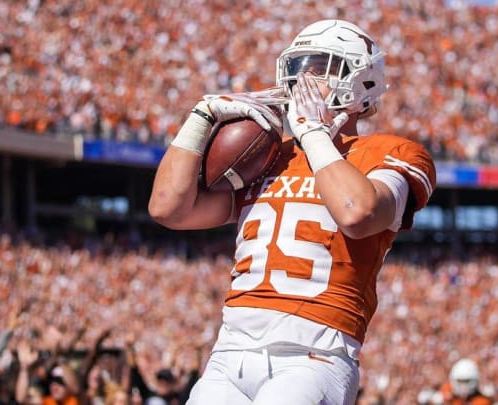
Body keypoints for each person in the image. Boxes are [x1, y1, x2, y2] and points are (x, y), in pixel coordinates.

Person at [148, 19, 436, 404]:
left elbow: (358, 212)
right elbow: (169, 209)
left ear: (361, 81)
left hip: (314, 352)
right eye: (298, 66)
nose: (304, 78)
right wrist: (200, 118)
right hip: (229, 351)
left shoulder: (393, 152)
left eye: (319, 66)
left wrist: (314, 134)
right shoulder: (270, 156)